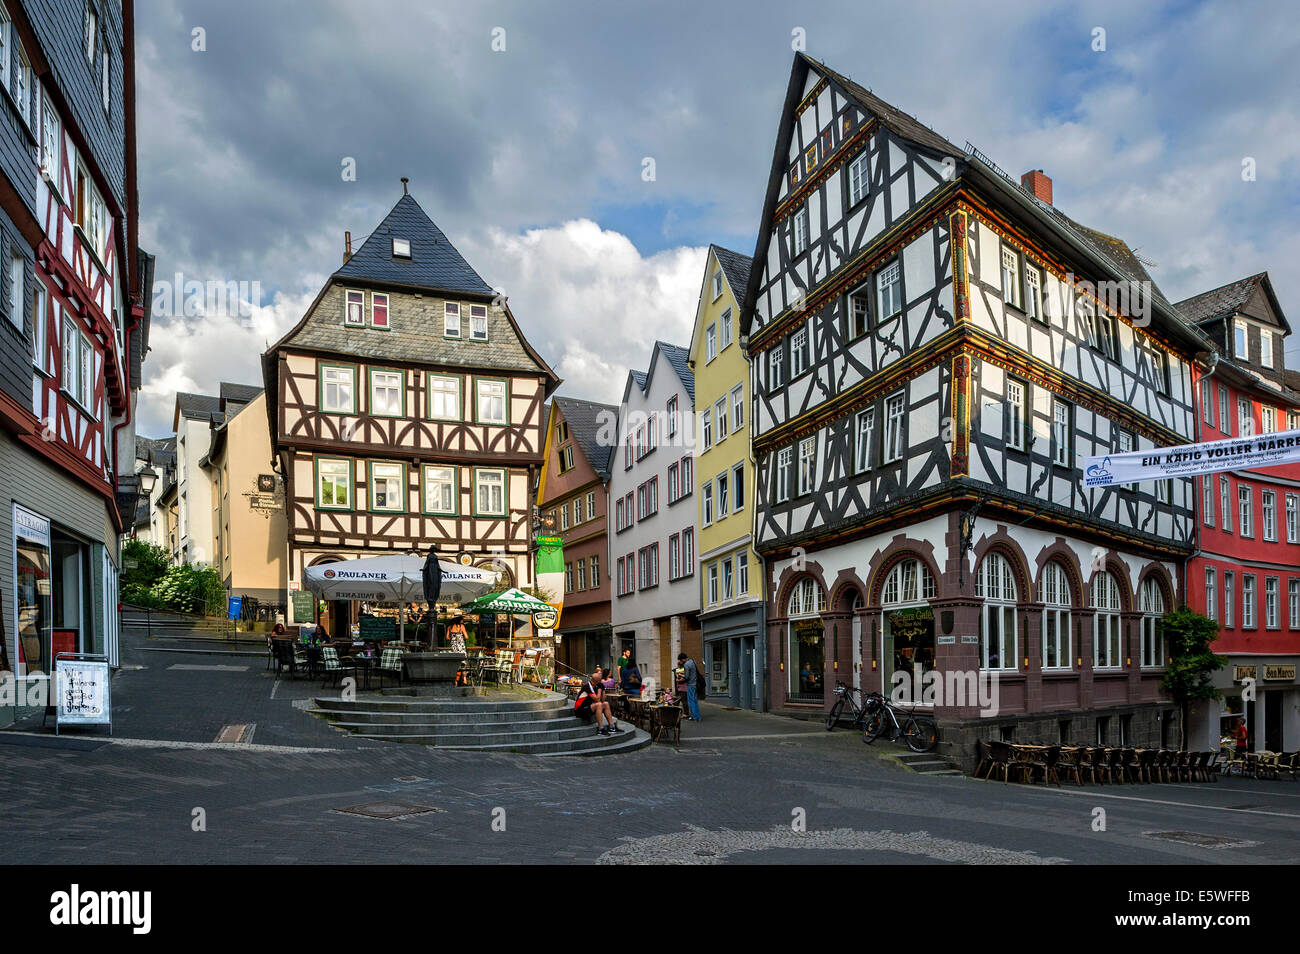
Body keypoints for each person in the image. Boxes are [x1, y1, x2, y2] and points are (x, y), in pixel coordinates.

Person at [586, 667, 620, 735]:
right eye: (599, 681)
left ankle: (612, 727)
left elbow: (603, 699)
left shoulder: (598, 685)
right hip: (582, 708)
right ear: (596, 681)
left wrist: (603, 690)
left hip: (591, 705)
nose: (600, 682)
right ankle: (600, 729)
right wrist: (599, 689)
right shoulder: (587, 686)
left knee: (606, 703)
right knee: (599, 704)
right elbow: (597, 699)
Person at [679, 652, 702, 722]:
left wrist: (681, 677)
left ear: (683, 659)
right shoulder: (693, 661)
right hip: (695, 683)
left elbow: (687, 676)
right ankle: (698, 716)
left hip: (690, 684)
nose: (680, 661)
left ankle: (693, 716)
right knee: (695, 701)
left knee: (691, 701)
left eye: (680, 660)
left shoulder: (686, 664)